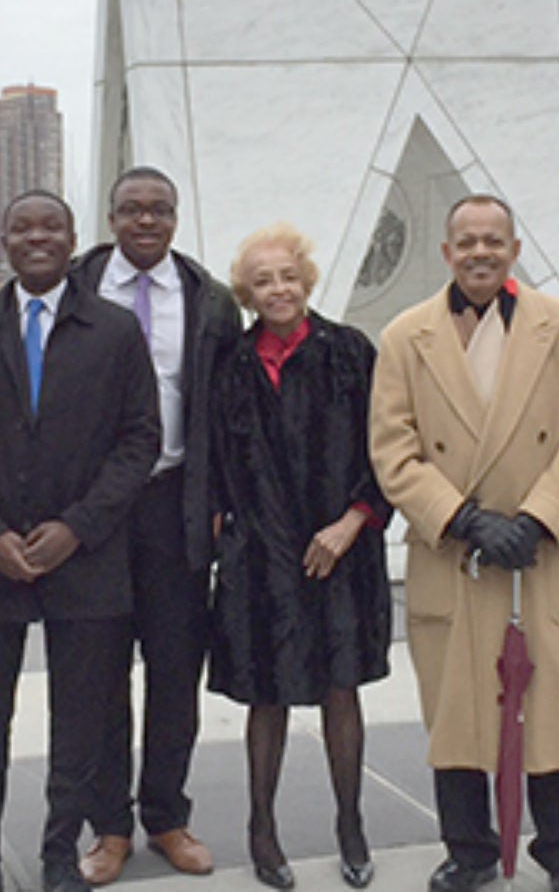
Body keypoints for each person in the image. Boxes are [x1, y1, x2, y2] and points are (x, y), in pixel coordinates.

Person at [368, 194, 559, 892]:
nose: (480, 251)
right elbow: (393, 450)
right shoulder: (403, 336)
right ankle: (469, 852)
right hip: (455, 553)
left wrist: (537, 519)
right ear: (446, 251)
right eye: (467, 240)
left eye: (493, 240)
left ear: (513, 248)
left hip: (549, 550)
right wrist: (465, 518)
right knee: (458, 714)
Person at [0, 190, 162, 892]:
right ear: (4, 239)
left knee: (82, 720)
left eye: (51, 226)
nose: (37, 237)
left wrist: (79, 525)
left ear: (74, 238)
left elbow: (140, 440)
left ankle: (62, 849)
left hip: (86, 558)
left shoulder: (115, 329)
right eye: (22, 226)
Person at [207, 224, 392, 891]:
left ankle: (351, 823)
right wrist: (225, 527)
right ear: (246, 292)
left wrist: (354, 520)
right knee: (267, 693)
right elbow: (215, 461)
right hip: (260, 558)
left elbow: (389, 449)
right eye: (263, 280)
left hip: (339, 550)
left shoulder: (350, 353)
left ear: (306, 280)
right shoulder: (229, 364)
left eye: (287, 275)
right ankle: (262, 829)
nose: (278, 289)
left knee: (341, 689)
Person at [72, 166, 241, 885]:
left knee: (175, 670)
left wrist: (222, 499)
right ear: (110, 217)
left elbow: (231, 414)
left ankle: (166, 814)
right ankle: (108, 825)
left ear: (175, 218)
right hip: (96, 512)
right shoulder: (75, 291)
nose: (146, 221)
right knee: (100, 673)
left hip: (177, 504)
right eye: (132, 209)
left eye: (160, 210)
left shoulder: (209, 302)